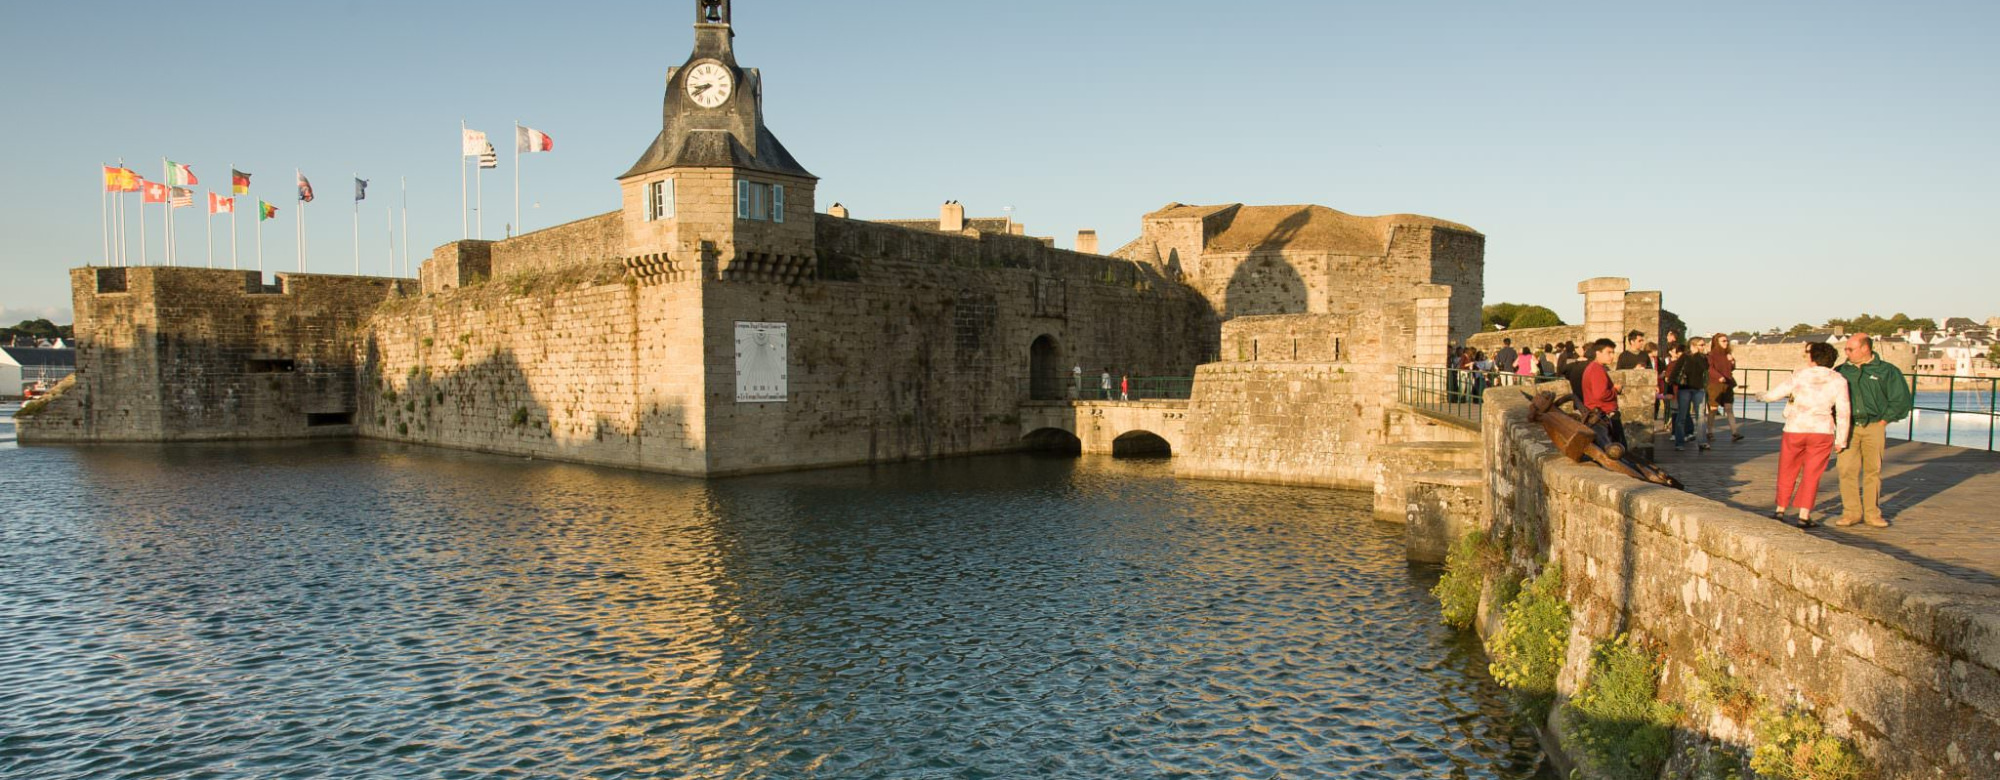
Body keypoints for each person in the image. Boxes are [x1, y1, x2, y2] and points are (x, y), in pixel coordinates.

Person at [1758, 342, 1850, 528]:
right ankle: (1804, 514)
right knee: (1812, 474)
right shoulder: (1839, 380)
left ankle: (1780, 509)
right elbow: (1843, 411)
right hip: (1821, 430)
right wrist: (1841, 439)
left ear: (1813, 357)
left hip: (1795, 428)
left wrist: (1761, 396)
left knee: (1787, 469)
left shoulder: (1799, 375)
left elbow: (1775, 395)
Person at [1835, 334, 1913, 528]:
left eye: (1850, 349)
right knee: (1846, 469)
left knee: (1872, 471)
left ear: (1865, 349)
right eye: (1846, 349)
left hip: (1874, 425)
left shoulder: (1887, 371)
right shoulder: (1841, 371)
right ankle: (1851, 512)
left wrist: (1885, 420)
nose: (1846, 353)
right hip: (1849, 426)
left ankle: (1872, 513)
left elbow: (1900, 399)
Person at [1579, 339, 1626, 450]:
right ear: (1598, 353)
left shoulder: (1592, 368)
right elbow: (1600, 394)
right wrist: (1615, 391)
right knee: (1618, 450)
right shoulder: (1597, 369)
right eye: (1609, 352)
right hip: (1604, 414)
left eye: (1613, 353)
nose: (1612, 356)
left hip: (1598, 414)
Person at [1670, 338, 1711, 452]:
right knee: (1682, 416)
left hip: (1699, 389)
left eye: (1704, 345)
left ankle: (1702, 441)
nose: (1703, 347)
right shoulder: (1684, 357)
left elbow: (1705, 368)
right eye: (1701, 345)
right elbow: (1676, 370)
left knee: (1701, 416)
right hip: (1685, 389)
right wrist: (1670, 388)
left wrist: (1698, 354)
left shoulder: (1703, 358)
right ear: (1693, 346)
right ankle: (1679, 442)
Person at [1704, 333, 1744, 443]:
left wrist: (1732, 361)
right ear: (1717, 342)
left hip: (1727, 384)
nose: (1726, 343)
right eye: (1723, 341)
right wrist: (1719, 376)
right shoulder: (1711, 355)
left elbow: (1731, 368)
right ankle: (1710, 432)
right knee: (1713, 409)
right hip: (1715, 384)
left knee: (1729, 408)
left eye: (1727, 341)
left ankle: (1734, 432)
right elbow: (1710, 369)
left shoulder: (1727, 354)